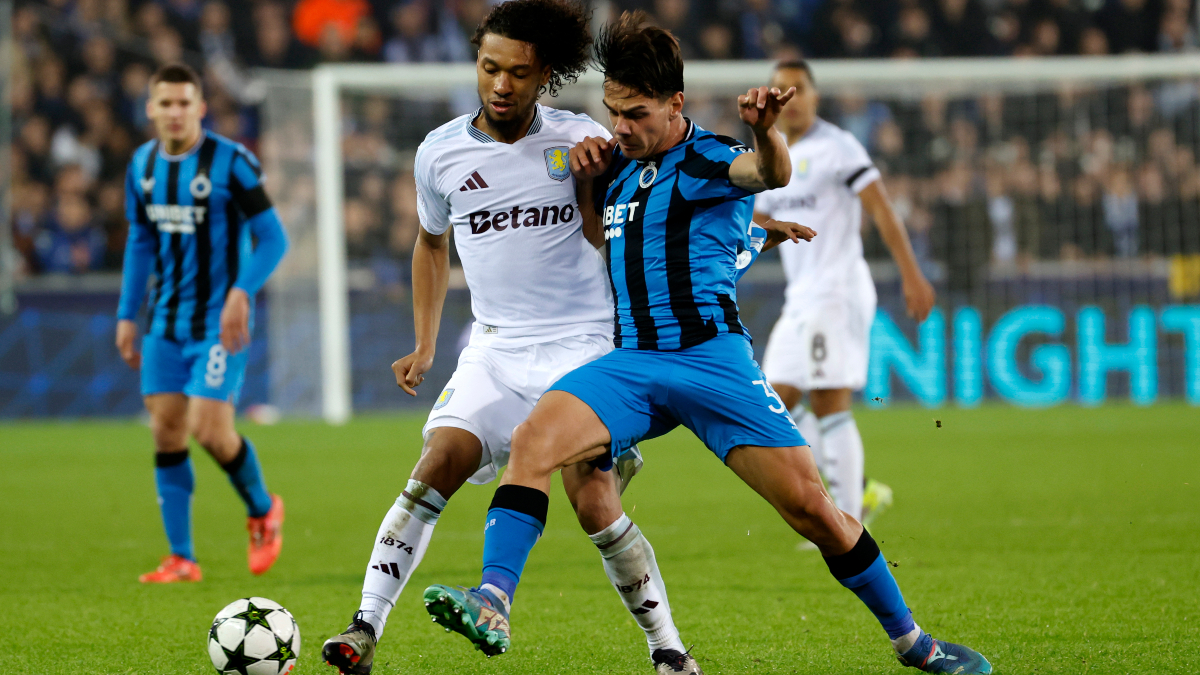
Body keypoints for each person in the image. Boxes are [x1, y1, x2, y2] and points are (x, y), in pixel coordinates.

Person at [425, 12, 993, 675]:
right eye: (613, 112)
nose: (620, 128)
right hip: (633, 362)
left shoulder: (711, 157)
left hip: (710, 362)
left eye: (636, 114)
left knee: (813, 509)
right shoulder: (616, 167)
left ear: (675, 104)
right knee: (532, 441)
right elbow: (611, 240)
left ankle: (915, 643)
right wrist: (586, 186)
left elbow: (768, 173)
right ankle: (493, 599)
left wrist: (765, 131)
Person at [320, 3, 698, 674]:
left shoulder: (581, 138)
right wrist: (426, 344)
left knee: (593, 501)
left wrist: (591, 183)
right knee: (437, 461)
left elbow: (610, 234)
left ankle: (668, 649)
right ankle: (364, 628)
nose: (500, 84)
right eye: (489, 67)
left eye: (517, 73)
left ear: (543, 74)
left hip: (583, 344)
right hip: (495, 348)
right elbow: (430, 244)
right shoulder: (439, 152)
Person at [115, 63, 289, 583]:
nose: (175, 112)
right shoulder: (142, 165)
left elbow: (273, 238)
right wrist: (126, 314)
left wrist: (241, 291)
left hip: (219, 323)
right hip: (165, 322)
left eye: (184, 103)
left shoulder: (231, 162)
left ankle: (263, 510)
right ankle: (182, 557)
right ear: (151, 108)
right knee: (166, 431)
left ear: (200, 108)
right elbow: (140, 241)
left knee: (209, 430)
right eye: (165, 103)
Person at [754, 60, 936, 533]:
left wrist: (911, 274)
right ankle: (861, 491)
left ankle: (850, 525)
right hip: (800, 298)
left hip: (837, 292)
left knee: (830, 403)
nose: (790, 99)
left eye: (798, 89)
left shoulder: (838, 147)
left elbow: (881, 209)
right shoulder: (771, 157)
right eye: (780, 90)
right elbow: (754, 220)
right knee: (773, 403)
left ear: (815, 95)